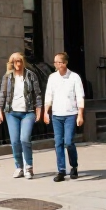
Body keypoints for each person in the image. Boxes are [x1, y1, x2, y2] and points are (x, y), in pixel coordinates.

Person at [0, 52, 43, 179]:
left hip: (27, 112)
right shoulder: (7, 77)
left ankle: (29, 167)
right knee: (15, 141)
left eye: (20, 61)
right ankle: (19, 167)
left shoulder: (30, 75)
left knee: (24, 139)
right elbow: (2, 95)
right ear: (11, 63)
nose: (18, 64)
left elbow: (37, 94)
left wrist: (39, 110)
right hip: (11, 113)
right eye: (15, 61)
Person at [43, 51, 85, 182]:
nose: (56, 64)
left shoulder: (74, 77)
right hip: (57, 114)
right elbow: (48, 95)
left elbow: (80, 96)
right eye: (55, 62)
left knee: (68, 142)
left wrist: (80, 114)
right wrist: (46, 112)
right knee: (58, 143)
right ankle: (61, 170)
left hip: (70, 114)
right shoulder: (52, 78)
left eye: (59, 62)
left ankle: (74, 166)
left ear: (65, 63)